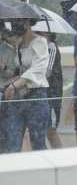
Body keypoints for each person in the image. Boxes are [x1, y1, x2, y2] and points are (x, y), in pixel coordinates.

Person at [4, 18, 50, 152]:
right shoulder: (18, 42)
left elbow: (37, 70)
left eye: (17, 23)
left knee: (38, 144)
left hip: (36, 95)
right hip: (19, 96)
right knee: (13, 141)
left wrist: (13, 85)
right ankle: (14, 172)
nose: (14, 26)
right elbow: (15, 68)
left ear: (27, 23)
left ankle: (46, 171)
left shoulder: (40, 41)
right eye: (13, 23)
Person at [37, 31, 63, 149]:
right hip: (39, 94)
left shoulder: (51, 47)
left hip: (51, 96)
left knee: (51, 132)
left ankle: (59, 159)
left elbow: (47, 73)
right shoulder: (36, 47)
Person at [0, 21, 17, 153]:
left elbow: (10, 75)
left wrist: (1, 64)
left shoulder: (10, 50)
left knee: (3, 130)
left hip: (3, 93)